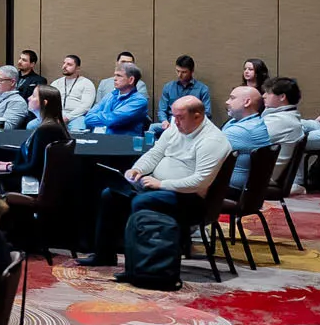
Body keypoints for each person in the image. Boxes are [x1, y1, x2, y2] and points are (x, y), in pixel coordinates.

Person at [82, 96, 231, 271]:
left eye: (180, 117)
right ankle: (104, 255)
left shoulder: (212, 141)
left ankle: (139, 266)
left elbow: (200, 182)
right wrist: (137, 169)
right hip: (161, 189)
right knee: (111, 194)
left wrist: (161, 184)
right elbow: (155, 154)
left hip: (191, 199)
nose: (175, 122)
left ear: (197, 116)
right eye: (173, 116)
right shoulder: (176, 128)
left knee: (141, 201)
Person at [0, 85, 68, 194]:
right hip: (39, 179)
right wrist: (10, 164)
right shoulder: (52, 125)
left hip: (34, 184)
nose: (29, 98)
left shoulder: (46, 130)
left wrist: (9, 167)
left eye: (33, 96)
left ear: (44, 103)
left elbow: (34, 167)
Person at [220, 85, 271, 191]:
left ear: (247, 102)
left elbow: (207, 152)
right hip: (240, 185)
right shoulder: (246, 121)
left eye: (232, 98)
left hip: (230, 187)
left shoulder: (242, 130)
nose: (227, 102)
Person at [78, 61, 149, 135]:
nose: (114, 79)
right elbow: (88, 118)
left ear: (131, 80)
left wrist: (101, 114)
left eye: (119, 76)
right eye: (115, 75)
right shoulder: (110, 95)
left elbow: (112, 120)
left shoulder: (139, 101)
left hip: (123, 140)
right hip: (103, 138)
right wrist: (108, 116)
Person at [261, 77, 307, 185]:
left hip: (261, 179)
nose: (263, 96)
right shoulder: (281, 116)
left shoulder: (282, 121)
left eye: (268, 92)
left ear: (282, 97)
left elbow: (248, 139)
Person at [156, 56, 212, 128]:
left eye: (184, 72)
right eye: (177, 71)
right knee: (153, 128)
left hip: (192, 125)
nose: (179, 75)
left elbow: (207, 113)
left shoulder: (202, 89)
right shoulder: (168, 87)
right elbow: (162, 110)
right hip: (171, 124)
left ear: (192, 71)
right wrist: (164, 121)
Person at [53, 54, 95, 126]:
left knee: (78, 127)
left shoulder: (87, 83)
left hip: (77, 116)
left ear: (77, 68)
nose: (64, 66)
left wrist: (67, 118)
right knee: (33, 125)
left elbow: (85, 106)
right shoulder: (56, 83)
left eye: (69, 64)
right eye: (64, 63)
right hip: (56, 115)